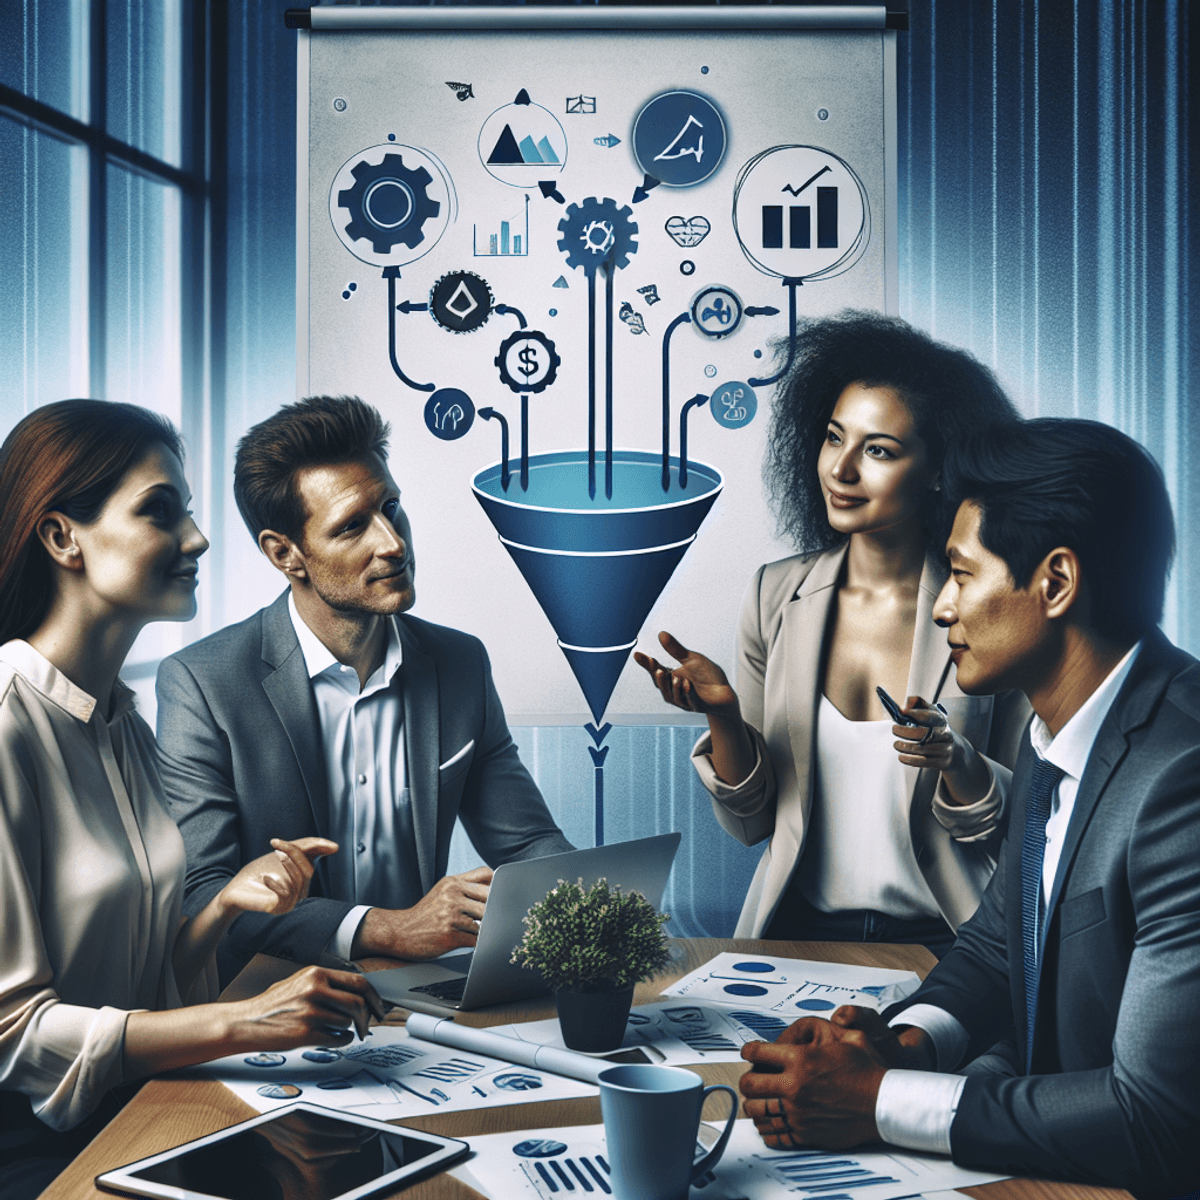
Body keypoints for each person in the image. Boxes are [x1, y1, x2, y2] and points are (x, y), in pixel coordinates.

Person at [737, 418, 1199, 1198]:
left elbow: (1157, 1120)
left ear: (1054, 583)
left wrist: (876, 1100)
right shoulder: (1060, 728)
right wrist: (898, 1047)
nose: (942, 608)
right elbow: (993, 949)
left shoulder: (1182, 776)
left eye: (960, 573)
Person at [0, 400, 384, 1200]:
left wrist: (217, 911)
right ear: (62, 536)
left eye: (190, 513)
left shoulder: (122, 724)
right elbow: (16, 1035)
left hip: (137, 1113)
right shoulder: (6, 719)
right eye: (159, 511)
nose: (199, 540)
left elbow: (135, 995)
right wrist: (249, 1020)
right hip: (32, 1156)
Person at [636, 311, 1028, 956]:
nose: (840, 471)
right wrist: (725, 719)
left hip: (954, 941)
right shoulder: (774, 596)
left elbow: (1015, 830)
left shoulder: (987, 606)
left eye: (879, 450)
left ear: (938, 470)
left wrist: (955, 759)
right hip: (796, 935)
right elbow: (752, 823)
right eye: (832, 438)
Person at [157, 395, 573, 984]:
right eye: (353, 526)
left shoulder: (459, 664)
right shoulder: (202, 684)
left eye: (392, 508)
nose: (392, 543)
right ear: (285, 554)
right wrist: (389, 927)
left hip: (420, 997)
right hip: (265, 998)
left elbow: (528, 841)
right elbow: (205, 893)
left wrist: (598, 909)